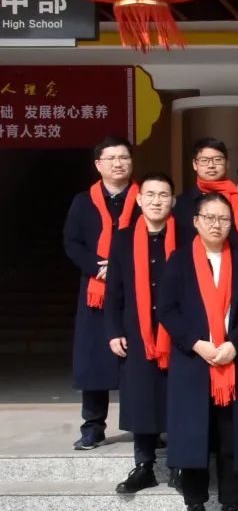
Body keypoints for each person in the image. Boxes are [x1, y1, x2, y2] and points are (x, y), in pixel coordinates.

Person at [159, 193, 238, 511]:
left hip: (234, 361)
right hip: (194, 362)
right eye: (210, 218)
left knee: (232, 440)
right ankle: (196, 510)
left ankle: (232, 509)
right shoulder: (179, 261)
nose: (217, 225)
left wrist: (234, 344)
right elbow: (167, 309)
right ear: (196, 221)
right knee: (193, 438)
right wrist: (196, 343)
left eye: (224, 219)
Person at [64, 135, 139, 450]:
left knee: (139, 360)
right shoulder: (83, 202)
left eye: (124, 157)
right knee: (95, 359)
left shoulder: (144, 198)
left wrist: (125, 269)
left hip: (136, 289)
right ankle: (93, 427)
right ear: (98, 164)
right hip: (97, 291)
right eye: (111, 158)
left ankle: (145, 424)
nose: (118, 163)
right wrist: (99, 267)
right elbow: (72, 242)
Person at [105, 173, 175, 492]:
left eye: (163, 195)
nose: (157, 201)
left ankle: (180, 465)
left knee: (177, 399)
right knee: (141, 398)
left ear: (172, 201)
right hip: (137, 334)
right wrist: (113, 330)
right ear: (139, 199)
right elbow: (114, 291)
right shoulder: (123, 239)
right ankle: (144, 466)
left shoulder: (186, 236)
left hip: (178, 334)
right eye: (151, 195)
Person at [172, 138, 231, 244]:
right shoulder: (180, 203)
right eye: (204, 160)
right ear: (195, 164)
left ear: (227, 163)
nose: (211, 165)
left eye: (217, 160)